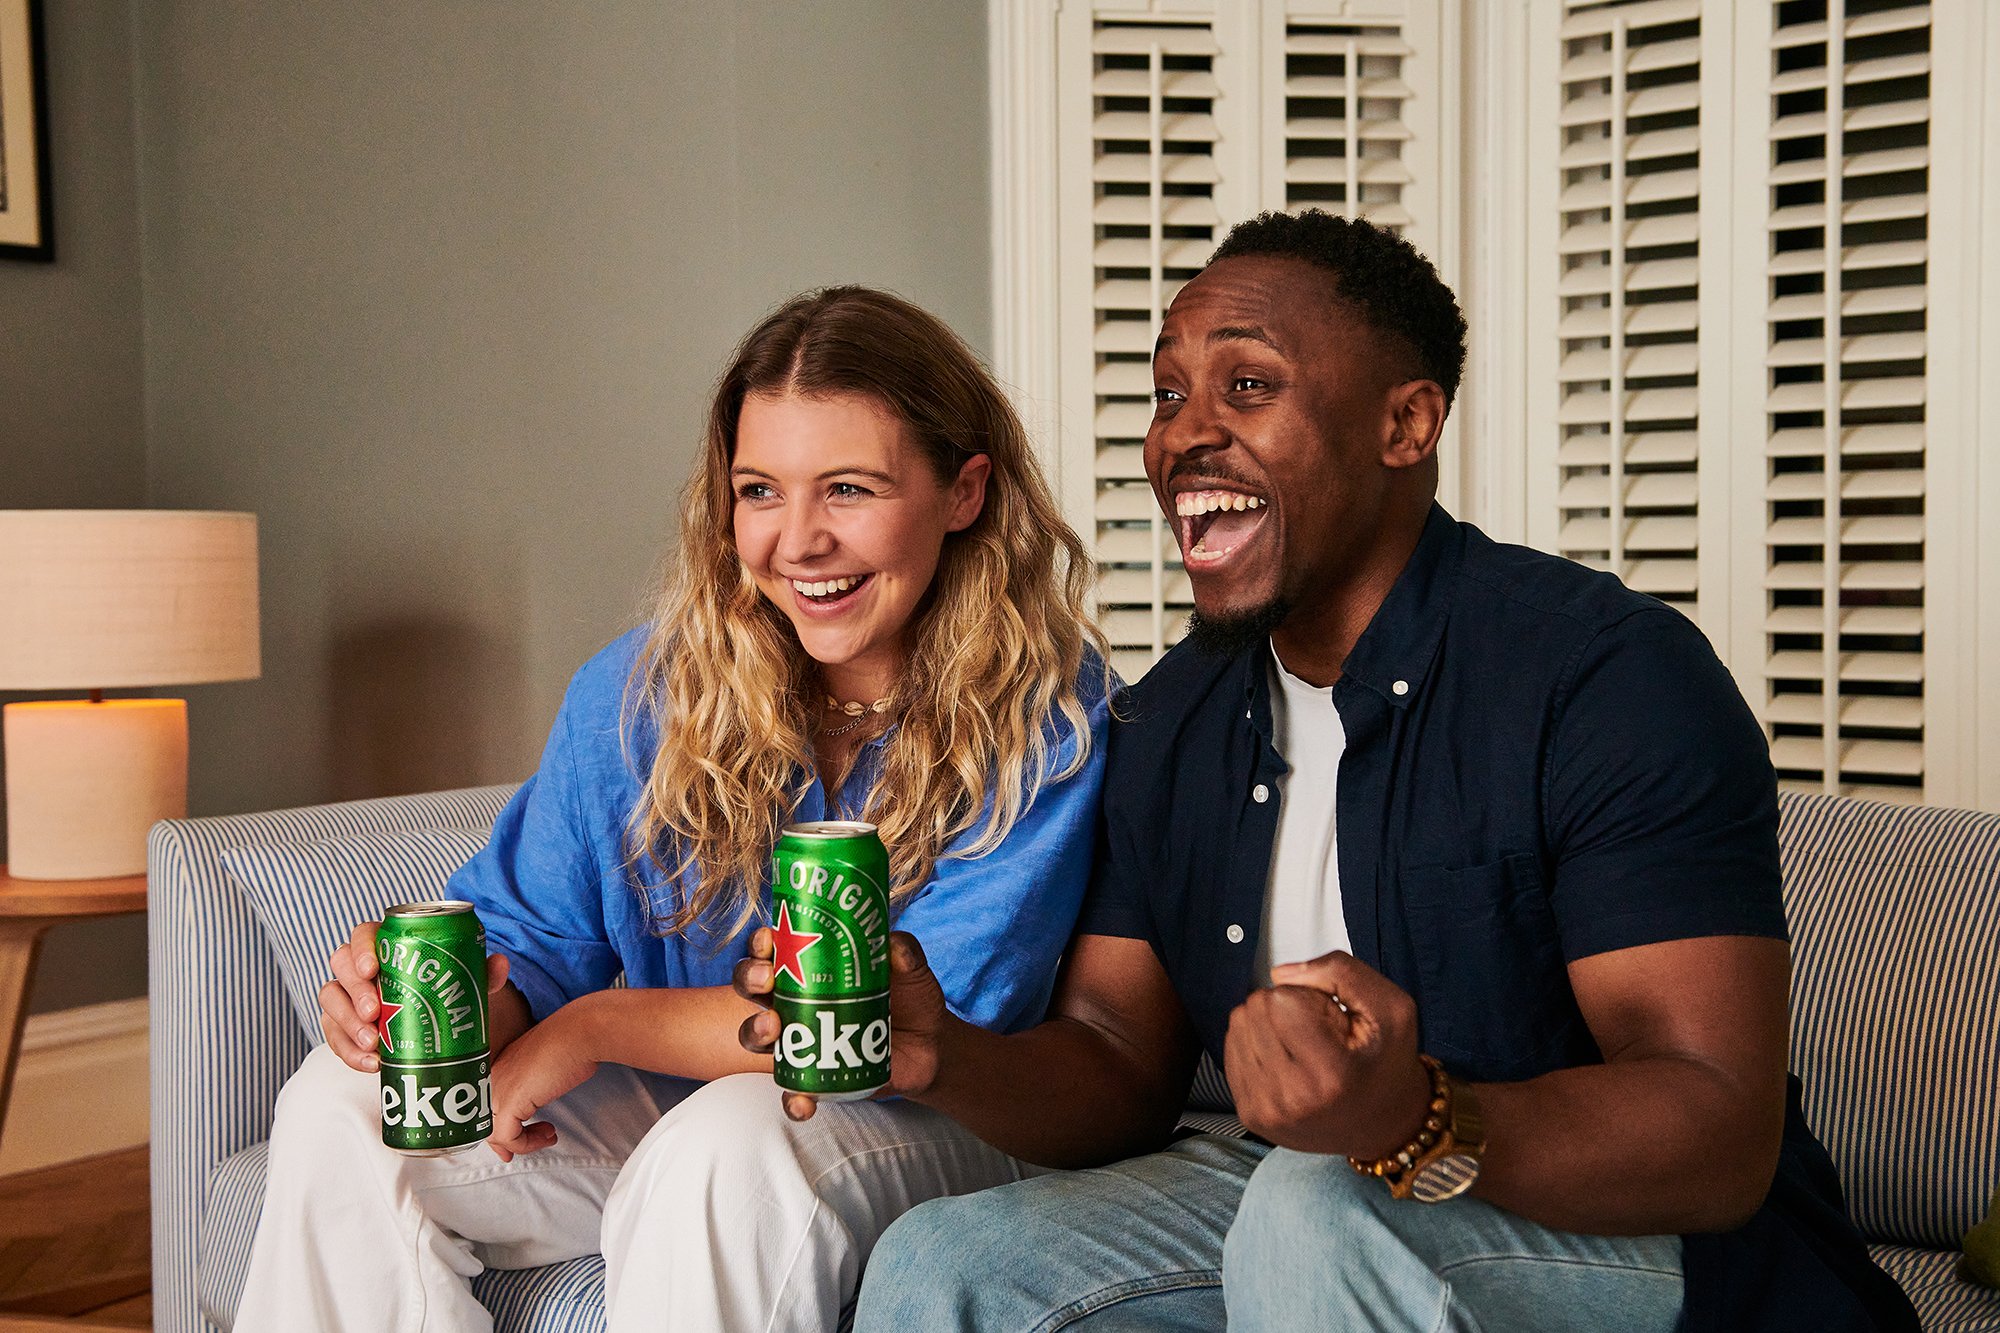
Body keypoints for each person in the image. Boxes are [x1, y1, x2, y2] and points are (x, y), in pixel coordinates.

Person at [747, 214, 1917, 1330]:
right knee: (950, 1260)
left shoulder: (1603, 677)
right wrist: (942, 1051)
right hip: (1309, 1196)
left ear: (1404, 423)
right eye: (1167, 393)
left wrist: (1414, 1115)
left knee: (1315, 1208)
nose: (1184, 433)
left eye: (1247, 385)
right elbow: (1114, 1056)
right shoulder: (1172, 719)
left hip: (1658, 1251)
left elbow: (1713, 1126)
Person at [233, 286, 1113, 1332]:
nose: (798, 540)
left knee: (727, 1146)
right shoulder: (639, 693)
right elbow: (530, 944)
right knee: (338, 1105)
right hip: (685, 1101)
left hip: (935, 1119)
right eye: (759, 491)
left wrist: (599, 1025)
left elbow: (891, 1025)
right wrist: (415, 1006)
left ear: (962, 491)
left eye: (848, 489)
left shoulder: (1049, 716)